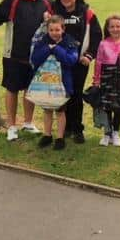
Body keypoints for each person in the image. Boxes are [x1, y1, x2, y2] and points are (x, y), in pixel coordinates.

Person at [0, 0, 53, 141]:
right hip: (13, 54)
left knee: (31, 89)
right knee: (12, 89)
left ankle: (28, 123)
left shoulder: (47, 1)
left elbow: (57, 26)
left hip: (36, 56)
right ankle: (11, 126)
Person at [52, 0, 102, 144]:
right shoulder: (54, 13)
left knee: (76, 94)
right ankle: (64, 127)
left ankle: (77, 129)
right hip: (59, 62)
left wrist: (89, 55)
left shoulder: (87, 14)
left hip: (79, 62)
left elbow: (96, 36)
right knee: (63, 95)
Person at [30, 15, 79, 150]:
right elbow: (35, 59)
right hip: (45, 83)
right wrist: (48, 49)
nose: (54, 33)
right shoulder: (42, 42)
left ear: (63, 29)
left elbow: (71, 60)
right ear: (47, 30)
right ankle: (47, 135)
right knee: (47, 110)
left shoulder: (70, 43)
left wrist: (56, 49)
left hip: (62, 83)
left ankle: (60, 137)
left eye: (57, 30)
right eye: (51, 30)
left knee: (60, 110)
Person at [93, 14, 120, 147]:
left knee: (118, 106)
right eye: (112, 26)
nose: (115, 29)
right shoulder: (103, 43)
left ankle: (116, 133)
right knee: (106, 106)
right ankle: (107, 133)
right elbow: (99, 62)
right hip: (107, 78)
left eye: (118, 26)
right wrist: (96, 80)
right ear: (107, 28)